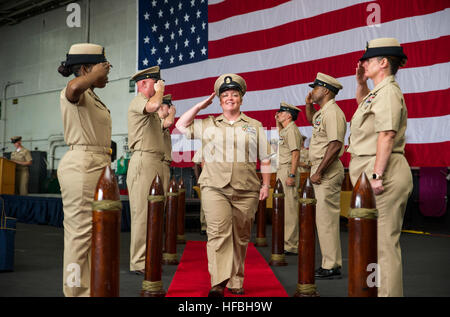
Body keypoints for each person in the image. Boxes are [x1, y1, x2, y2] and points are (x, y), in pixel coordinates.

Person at [176, 73, 273, 297]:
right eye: (226, 95)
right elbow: (181, 125)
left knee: (240, 236)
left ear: (241, 98)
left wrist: (265, 185)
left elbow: (266, 157)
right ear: (219, 101)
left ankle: (236, 281)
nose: (230, 98)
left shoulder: (254, 125)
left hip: (247, 188)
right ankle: (218, 282)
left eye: (235, 94)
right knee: (218, 233)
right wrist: (200, 106)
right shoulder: (208, 123)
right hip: (214, 187)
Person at [348, 38, 413, 297]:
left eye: (367, 60)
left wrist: (376, 175)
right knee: (372, 245)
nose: (362, 63)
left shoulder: (388, 92)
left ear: (383, 62)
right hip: (371, 173)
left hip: (383, 174)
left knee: (384, 246)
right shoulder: (378, 92)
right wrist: (361, 83)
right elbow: (363, 107)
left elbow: (386, 134)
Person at [57, 43, 112, 296]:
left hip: (97, 165)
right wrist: (91, 76)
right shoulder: (76, 89)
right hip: (81, 165)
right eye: (103, 66)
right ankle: (76, 293)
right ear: (87, 68)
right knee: (79, 237)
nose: (108, 71)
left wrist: (94, 78)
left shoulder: (93, 95)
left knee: (94, 235)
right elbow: (73, 87)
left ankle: (90, 289)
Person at [305, 72, 346, 279]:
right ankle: (329, 262)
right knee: (322, 220)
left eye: (315, 88)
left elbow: (336, 144)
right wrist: (309, 104)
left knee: (326, 219)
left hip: (326, 172)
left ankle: (331, 265)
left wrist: (319, 171)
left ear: (326, 90)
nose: (312, 91)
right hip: (320, 170)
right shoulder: (323, 112)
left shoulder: (333, 112)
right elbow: (312, 120)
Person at [127, 66, 166, 274]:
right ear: (143, 84)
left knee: (154, 213)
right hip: (143, 161)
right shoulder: (139, 101)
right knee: (142, 214)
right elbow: (154, 105)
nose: (160, 85)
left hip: (155, 161)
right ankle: (139, 262)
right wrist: (160, 91)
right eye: (155, 82)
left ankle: (149, 257)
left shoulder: (149, 106)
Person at [274, 102, 303, 255]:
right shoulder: (286, 130)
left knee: (290, 208)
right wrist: (277, 122)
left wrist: (292, 174)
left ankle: (291, 245)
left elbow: (295, 154)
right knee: (284, 208)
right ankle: (286, 241)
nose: (278, 114)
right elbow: (280, 138)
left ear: (289, 115)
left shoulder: (292, 130)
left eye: (281, 112)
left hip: (287, 170)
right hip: (282, 170)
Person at [158, 94, 176, 187]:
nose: (169, 109)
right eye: (168, 107)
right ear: (161, 107)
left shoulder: (162, 121)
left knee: (163, 196)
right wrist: (173, 112)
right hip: (160, 163)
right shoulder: (157, 120)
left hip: (164, 163)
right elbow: (169, 122)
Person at [192, 149, 207, 235]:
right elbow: (196, 163)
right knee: (205, 203)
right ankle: (204, 226)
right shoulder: (204, 146)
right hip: (206, 178)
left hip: (222, 179)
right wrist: (198, 179)